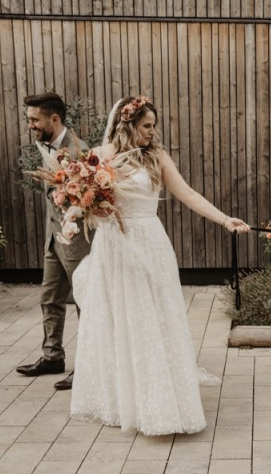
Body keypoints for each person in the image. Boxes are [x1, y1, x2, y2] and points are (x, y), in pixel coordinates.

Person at [69, 96, 250, 435]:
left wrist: (225, 220)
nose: (152, 132)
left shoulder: (157, 156)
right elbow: (82, 197)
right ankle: (125, 399)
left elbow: (189, 195)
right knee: (121, 317)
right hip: (115, 247)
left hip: (149, 242)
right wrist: (72, 217)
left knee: (152, 316)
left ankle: (159, 397)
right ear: (128, 125)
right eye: (146, 126)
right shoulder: (101, 157)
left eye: (153, 125)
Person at [16, 92, 90, 390]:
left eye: (35, 119)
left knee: (84, 301)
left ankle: (87, 364)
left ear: (54, 118)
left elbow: (88, 200)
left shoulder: (79, 152)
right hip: (53, 238)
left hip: (76, 240)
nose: (31, 125)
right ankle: (52, 356)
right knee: (49, 298)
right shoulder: (46, 146)